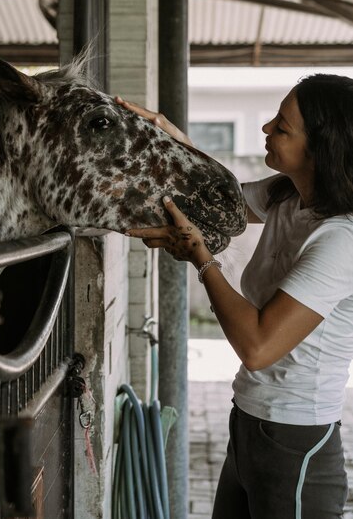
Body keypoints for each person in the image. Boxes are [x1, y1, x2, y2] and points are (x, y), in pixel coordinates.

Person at [115, 74, 353, 519]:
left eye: (281, 127)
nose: (266, 129)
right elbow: (214, 203)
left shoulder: (341, 239)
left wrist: (202, 260)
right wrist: (170, 139)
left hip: (296, 439)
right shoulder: (288, 197)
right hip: (249, 421)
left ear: (321, 148)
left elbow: (258, 346)